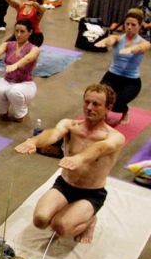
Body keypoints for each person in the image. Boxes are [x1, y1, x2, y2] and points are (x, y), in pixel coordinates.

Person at [15, 84, 125, 243]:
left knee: (60, 226)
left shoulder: (115, 137)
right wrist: (34, 141)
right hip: (65, 185)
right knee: (40, 220)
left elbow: (100, 148)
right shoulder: (70, 125)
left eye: (96, 104)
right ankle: (70, 211)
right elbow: (52, 134)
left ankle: (90, 220)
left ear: (108, 108)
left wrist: (80, 158)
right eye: (87, 102)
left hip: (91, 193)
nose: (89, 107)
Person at [0, 19, 41, 122]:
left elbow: (28, 58)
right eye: (16, 31)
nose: (18, 34)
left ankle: (21, 111)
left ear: (30, 32)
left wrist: (16, 64)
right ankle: (3, 109)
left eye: (22, 31)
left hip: (25, 83)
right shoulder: (8, 44)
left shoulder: (34, 49)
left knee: (13, 92)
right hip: (7, 81)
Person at [96, 8, 151, 124]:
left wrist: (131, 49)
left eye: (133, 25)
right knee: (101, 96)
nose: (129, 27)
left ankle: (125, 111)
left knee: (118, 103)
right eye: (127, 24)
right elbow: (111, 39)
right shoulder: (118, 38)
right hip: (112, 76)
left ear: (140, 25)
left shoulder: (144, 43)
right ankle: (104, 113)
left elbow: (142, 48)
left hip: (131, 81)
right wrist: (105, 42)